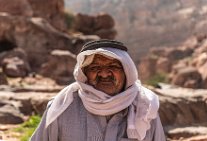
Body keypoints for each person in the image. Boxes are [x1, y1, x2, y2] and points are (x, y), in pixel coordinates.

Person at [30, 39, 166, 141]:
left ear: (126, 72)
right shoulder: (61, 107)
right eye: (95, 68)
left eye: (113, 66)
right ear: (85, 74)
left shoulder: (146, 107)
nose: (104, 74)